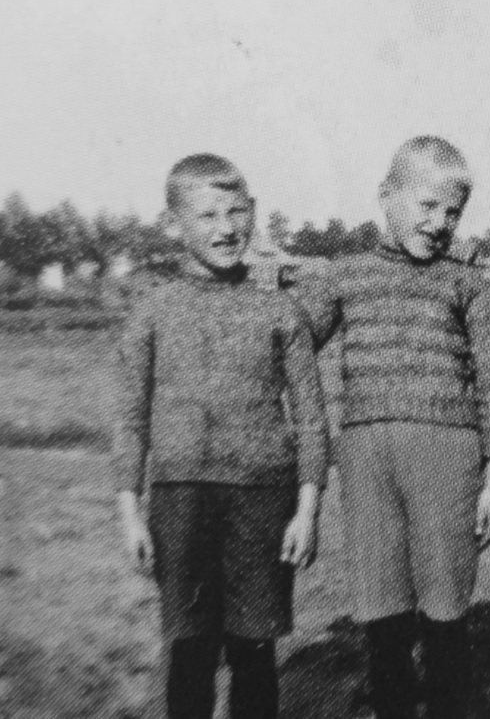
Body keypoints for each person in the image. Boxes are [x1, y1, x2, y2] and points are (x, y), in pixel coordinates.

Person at [294, 136, 490, 719]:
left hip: (449, 455)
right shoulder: (343, 275)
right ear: (386, 196)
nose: (440, 223)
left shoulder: (467, 283)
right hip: (365, 455)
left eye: (453, 212)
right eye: (427, 205)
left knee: (444, 605)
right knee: (381, 606)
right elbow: (290, 337)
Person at [113, 154, 329, 719]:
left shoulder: (280, 310)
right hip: (180, 501)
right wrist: (130, 512)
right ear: (175, 223)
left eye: (237, 212)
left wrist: (307, 510)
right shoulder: (152, 310)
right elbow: (131, 418)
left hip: (263, 500)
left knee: (254, 653)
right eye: (208, 215)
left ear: (253, 212)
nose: (227, 228)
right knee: (189, 652)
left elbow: (311, 419)